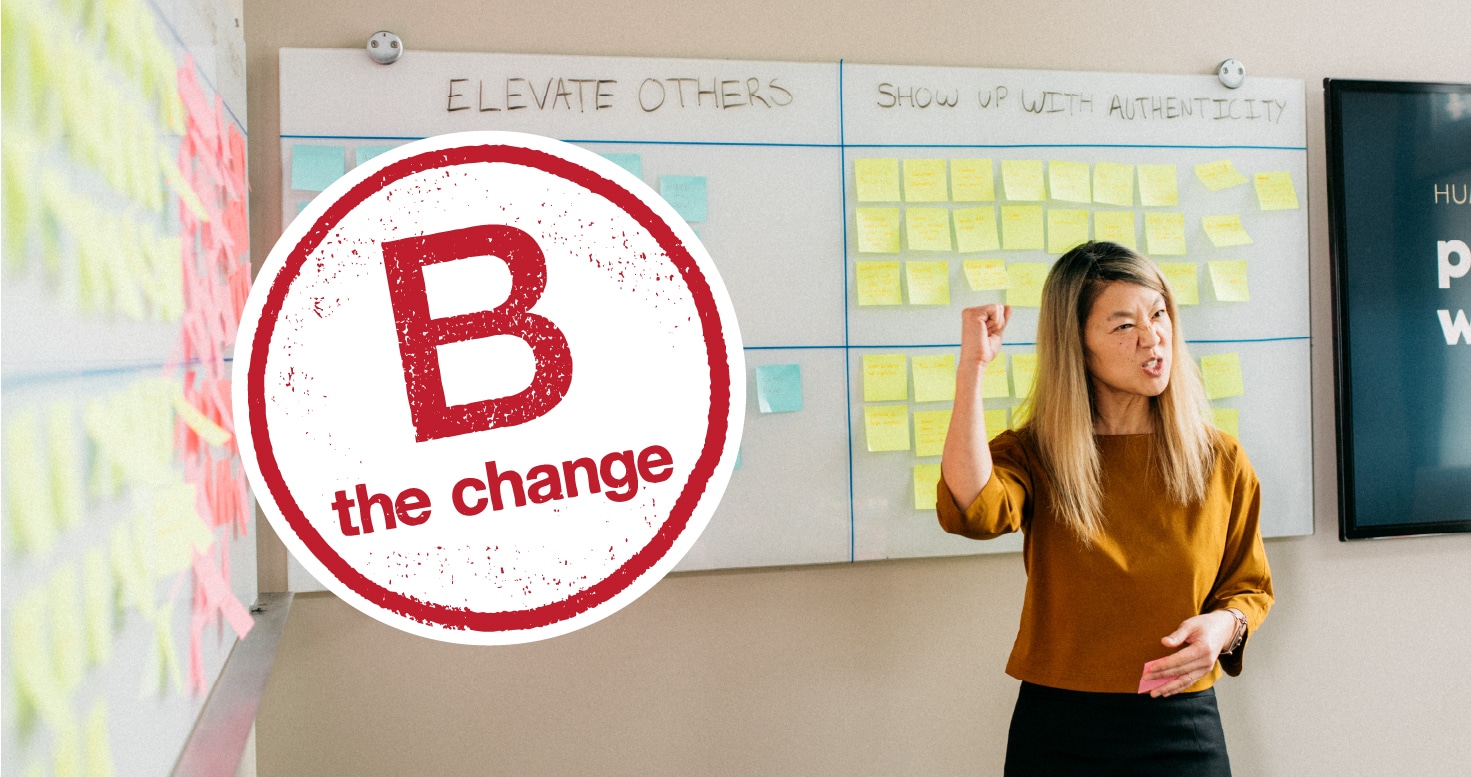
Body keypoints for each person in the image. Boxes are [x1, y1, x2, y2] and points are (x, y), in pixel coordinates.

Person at [936, 241, 1272, 777]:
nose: (1152, 337)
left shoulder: (1220, 460)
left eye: (1158, 314)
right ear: (1078, 345)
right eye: (1123, 326)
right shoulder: (1037, 452)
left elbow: (1248, 587)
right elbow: (974, 511)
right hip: (1060, 728)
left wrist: (1221, 629)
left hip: (1180, 721)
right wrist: (972, 368)